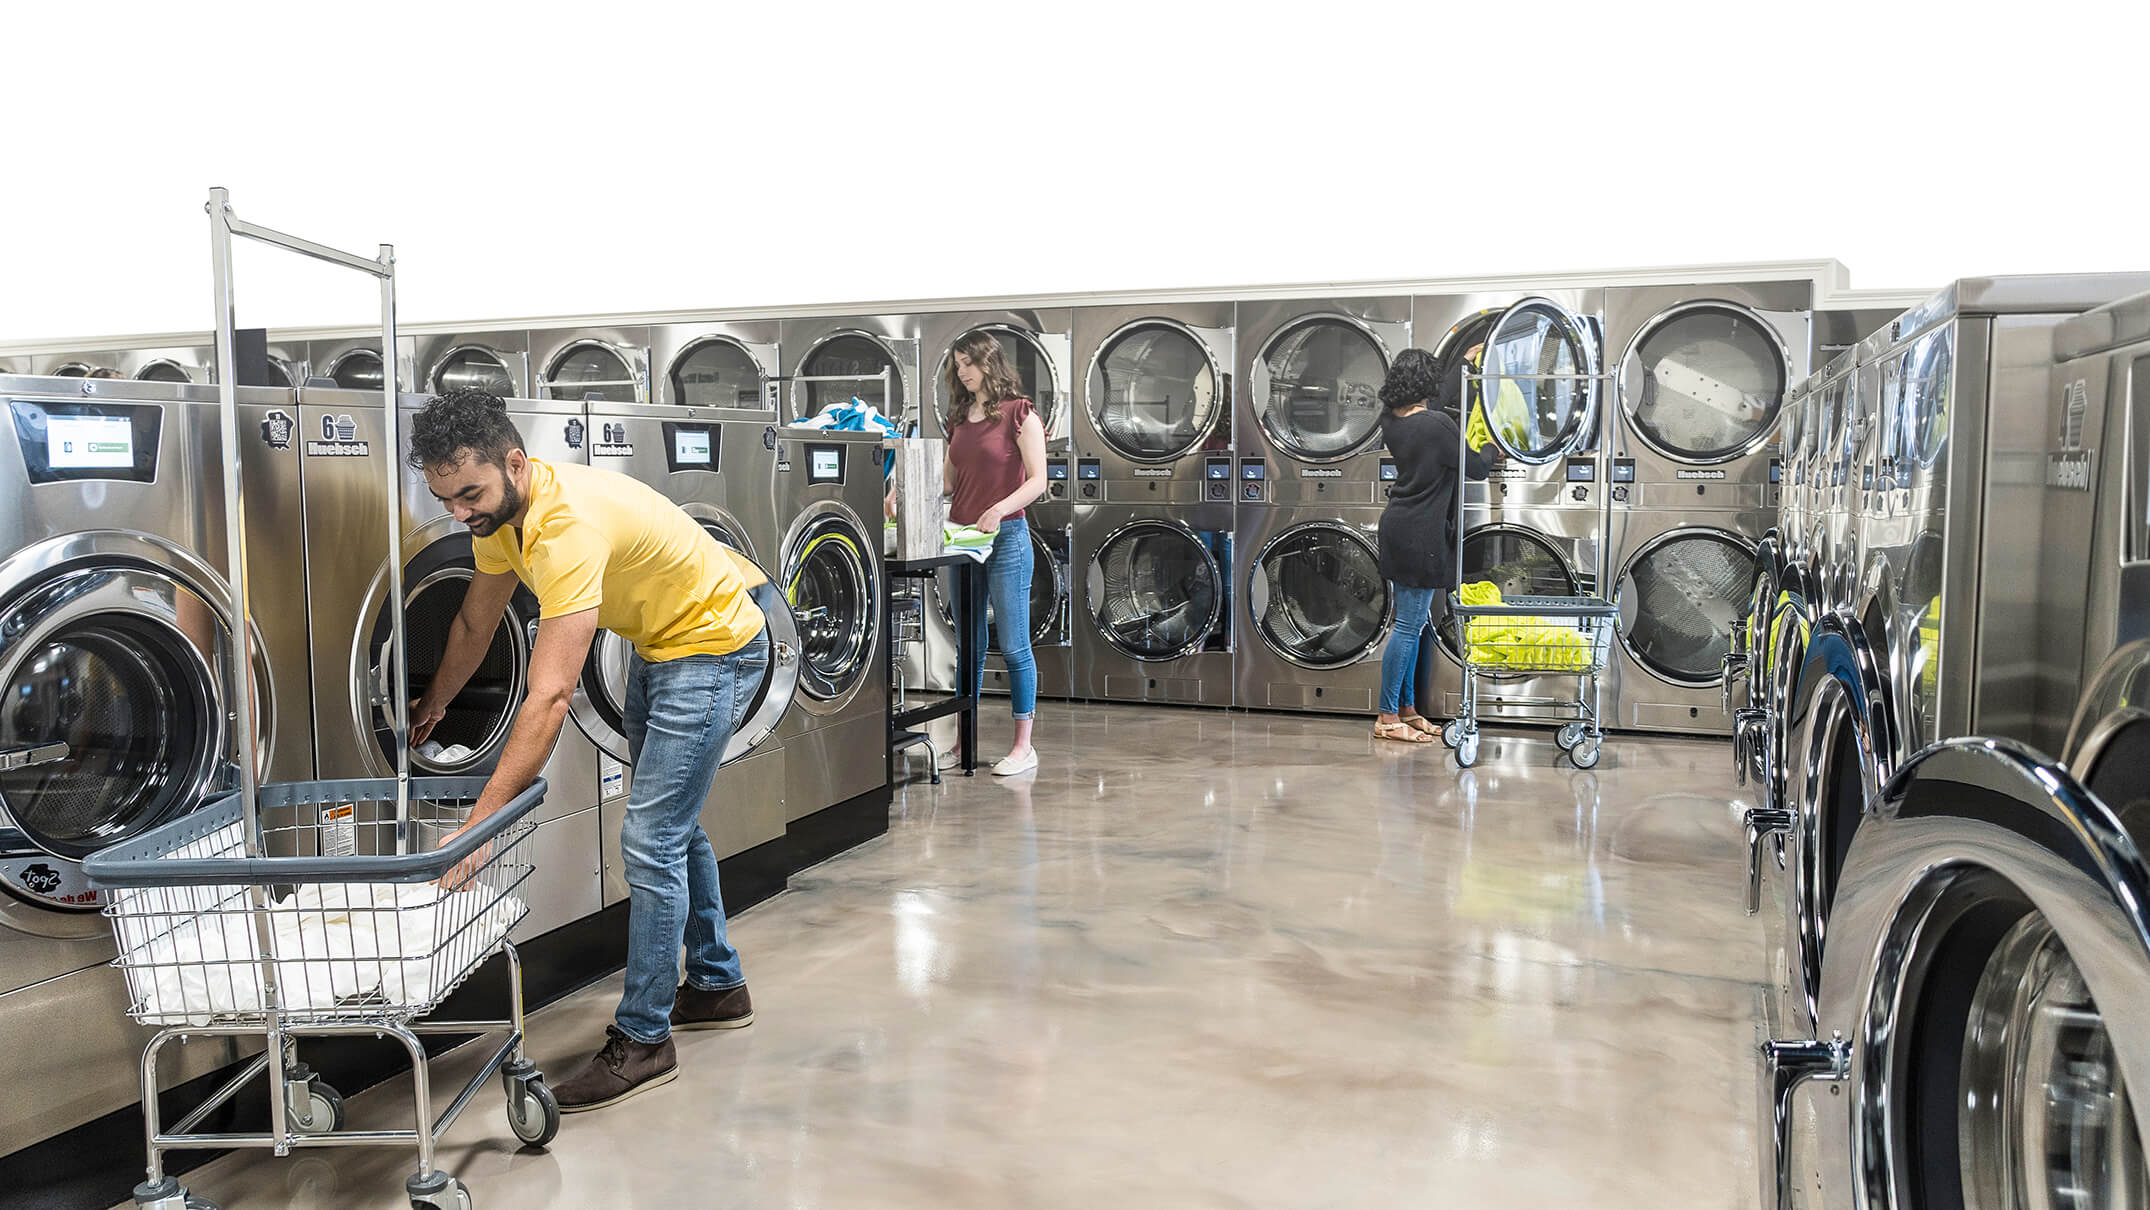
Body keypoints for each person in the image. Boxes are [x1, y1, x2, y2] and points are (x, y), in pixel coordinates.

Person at [405, 388, 774, 1114]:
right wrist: (438, 700)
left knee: (650, 838)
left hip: (715, 648)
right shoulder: (499, 518)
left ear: (516, 462)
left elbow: (548, 698)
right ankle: (717, 984)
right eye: (445, 499)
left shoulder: (562, 526)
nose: (460, 512)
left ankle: (645, 1040)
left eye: (470, 493)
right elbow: (477, 623)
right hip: (661, 647)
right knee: (669, 828)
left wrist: (480, 829)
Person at [1373, 347, 1499, 743]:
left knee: (1414, 624)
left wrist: (1463, 363)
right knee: (1408, 628)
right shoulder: (1438, 425)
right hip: (1422, 533)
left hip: (1399, 525)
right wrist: (1495, 440)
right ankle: (1387, 717)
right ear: (1426, 385)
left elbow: (1433, 406)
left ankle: (1407, 709)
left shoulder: (1391, 421)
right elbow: (1477, 467)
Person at [941, 331, 1049, 775]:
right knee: (969, 645)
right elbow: (948, 484)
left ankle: (1024, 745)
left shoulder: (1020, 414)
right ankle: (964, 743)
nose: (963, 372)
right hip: (962, 543)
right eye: (958, 365)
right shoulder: (959, 419)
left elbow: (1038, 480)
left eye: (970, 363)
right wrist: (898, 490)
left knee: (1015, 644)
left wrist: (999, 508)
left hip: (1006, 539)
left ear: (990, 362)